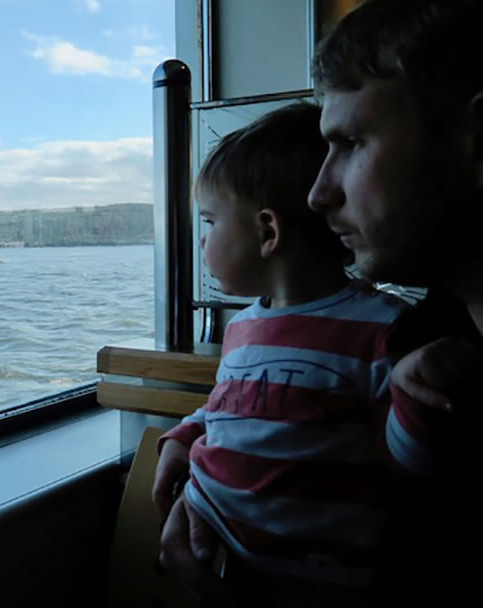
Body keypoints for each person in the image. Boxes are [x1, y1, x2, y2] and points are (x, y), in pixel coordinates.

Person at [159, 1, 483, 604]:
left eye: (352, 142)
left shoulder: (412, 351)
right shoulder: (424, 330)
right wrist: (201, 477)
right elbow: (239, 412)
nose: (317, 193)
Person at [152, 101, 436, 606]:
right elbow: (234, 404)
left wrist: (417, 404)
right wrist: (188, 432)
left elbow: (405, 465)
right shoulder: (243, 326)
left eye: (211, 221)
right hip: (228, 560)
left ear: (268, 232)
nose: (202, 241)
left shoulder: (381, 328)